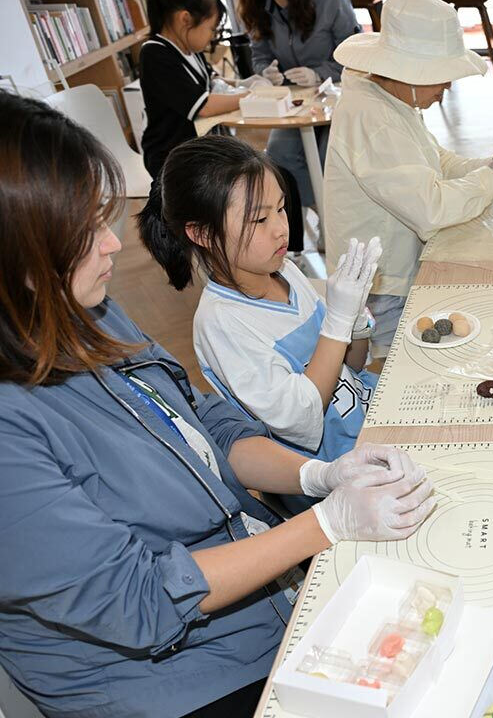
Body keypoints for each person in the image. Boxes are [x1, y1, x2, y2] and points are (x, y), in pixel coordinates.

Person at [0, 92, 436, 718]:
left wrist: (317, 475)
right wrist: (325, 524)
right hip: (182, 680)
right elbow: (142, 599)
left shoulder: (85, 312)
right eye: (82, 231)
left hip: (255, 593)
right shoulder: (12, 431)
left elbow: (204, 418)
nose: (113, 244)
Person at [139, 136, 381, 510]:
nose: (281, 228)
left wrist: (356, 321)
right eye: (260, 219)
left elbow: (352, 366)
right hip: (330, 479)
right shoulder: (222, 323)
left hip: (368, 426)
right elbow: (302, 418)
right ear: (201, 233)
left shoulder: (283, 271)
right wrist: (336, 322)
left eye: (281, 209)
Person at [324, 0, 493, 360]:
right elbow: (431, 208)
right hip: (382, 286)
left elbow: (434, 159)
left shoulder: (391, 98)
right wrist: (490, 178)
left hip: (395, 268)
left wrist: (491, 167)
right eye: (442, 77)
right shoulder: (373, 119)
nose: (447, 88)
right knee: (400, 365)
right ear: (411, 72)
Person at [239, 0, 361, 210]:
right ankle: (318, 212)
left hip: (337, 96)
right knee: (279, 153)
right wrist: (266, 72)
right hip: (293, 102)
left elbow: (355, 53)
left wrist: (319, 73)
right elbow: (259, 56)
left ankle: (338, 214)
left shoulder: (331, 2)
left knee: (330, 155)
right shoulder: (256, 6)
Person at [140, 0, 247, 179]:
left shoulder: (190, 50)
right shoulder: (155, 54)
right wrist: (249, 96)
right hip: (173, 158)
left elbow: (213, 81)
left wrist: (243, 84)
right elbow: (203, 105)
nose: (212, 37)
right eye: (211, 29)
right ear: (185, 19)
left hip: (202, 150)